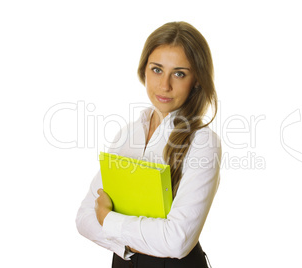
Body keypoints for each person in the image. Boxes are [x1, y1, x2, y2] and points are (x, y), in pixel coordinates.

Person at [76, 21, 221, 268]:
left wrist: (109, 221)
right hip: (123, 262)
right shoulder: (127, 135)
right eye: (156, 70)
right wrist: (142, 239)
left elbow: (176, 242)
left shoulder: (203, 142)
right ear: (143, 70)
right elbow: (84, 219)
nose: (164, 85)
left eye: (179, 73)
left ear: (197, 80)